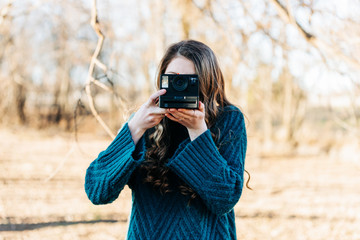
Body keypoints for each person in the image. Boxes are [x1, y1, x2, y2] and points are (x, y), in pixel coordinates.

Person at [85, 40, 248, 239]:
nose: (179, 88)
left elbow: (224, 199)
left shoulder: (227, 119)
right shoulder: (146, 122)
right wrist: (134, 128)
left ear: (206, 82)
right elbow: (97, 191)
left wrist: (199, 133)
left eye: (188, 81)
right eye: (172, 80)